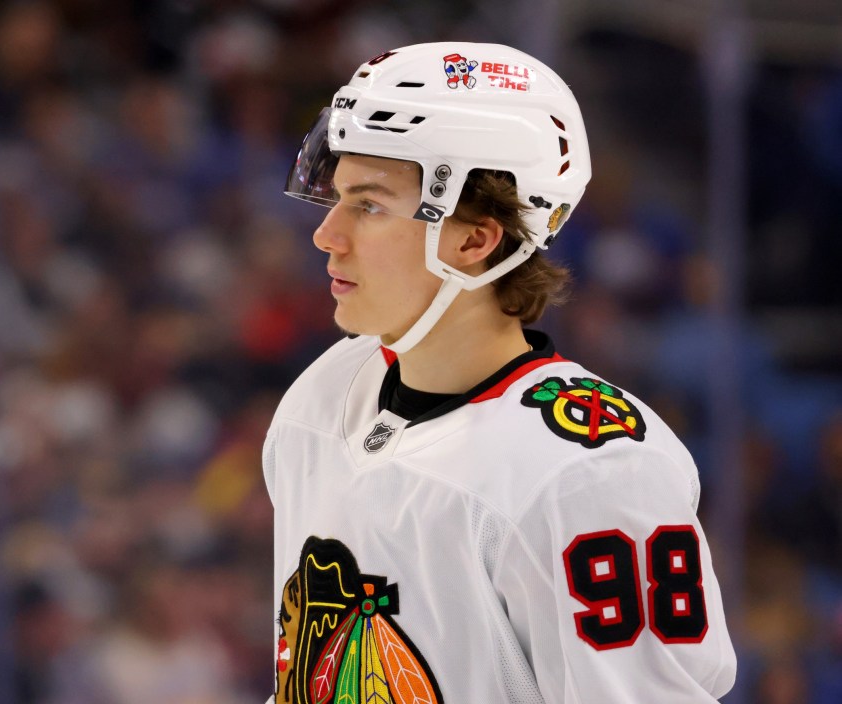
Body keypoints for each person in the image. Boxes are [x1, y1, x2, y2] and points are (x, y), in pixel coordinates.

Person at [263, 42, 736, 703]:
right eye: (337, 197)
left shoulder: (592, 471)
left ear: (474, 239)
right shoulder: (323, 394)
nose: (326, 234)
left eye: (368, 205)